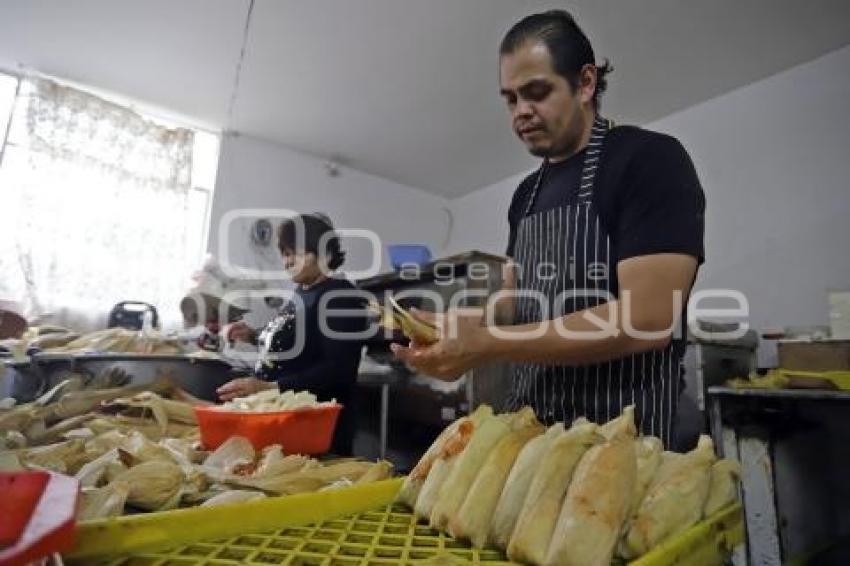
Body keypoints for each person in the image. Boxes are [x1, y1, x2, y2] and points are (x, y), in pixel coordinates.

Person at [393, 10, 705, 447]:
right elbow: (514, 299)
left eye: (536, 92)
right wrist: (459, 326)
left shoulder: (649, 160)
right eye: (510, 99)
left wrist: (488, 342)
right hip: (529, 432)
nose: (521, 112)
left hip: (619, 438)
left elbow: (646, 319)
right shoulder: (527, 194)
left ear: (586, 83)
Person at [217, 213, 368, 455]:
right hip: (285, 418)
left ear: (325, 253)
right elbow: (295, 343)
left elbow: (338, 370)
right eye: (285, 254)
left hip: (314, 427)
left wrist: (269, 387)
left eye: (296, 253)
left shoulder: (340, 297)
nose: (287, 261)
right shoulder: (303, 292)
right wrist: (253, 335)